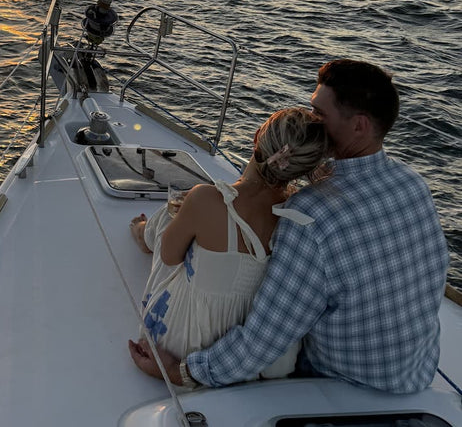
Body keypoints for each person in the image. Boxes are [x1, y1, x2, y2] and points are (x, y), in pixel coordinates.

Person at [129, 60, 449, 394]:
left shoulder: (309, 215)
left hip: (341, 380)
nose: (312, 121)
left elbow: (264, 339)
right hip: (415, 372)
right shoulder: (412, 184)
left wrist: (180, 372)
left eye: (319, 114)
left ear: (359, 126)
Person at [130, 107, 331, 381]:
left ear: (257, 137)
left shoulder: (207, 199)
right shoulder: (298, 220)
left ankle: (143, 233)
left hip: (179, 340)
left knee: (173, 216)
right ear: (306, 169)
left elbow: (169, 256)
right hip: (241, 355)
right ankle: (150, 231)